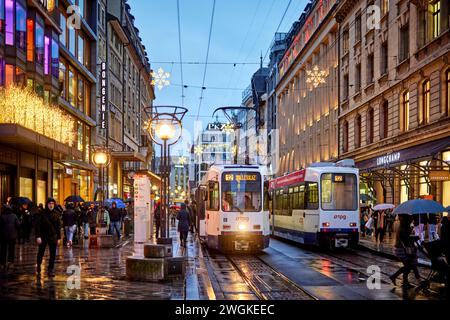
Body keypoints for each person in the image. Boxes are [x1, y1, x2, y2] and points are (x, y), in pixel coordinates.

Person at [390, 214, 421, 289]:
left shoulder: (405, 227)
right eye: (410, 220)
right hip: (402, 249)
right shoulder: (402, 229)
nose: (411, 221)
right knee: (408, 266)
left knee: (409, 266)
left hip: (404, 249)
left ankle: (403, 280)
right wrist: (415, 238)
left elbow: (408, 238)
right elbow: (406, 239)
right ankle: (397, 278)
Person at [35, 198, 61, 277]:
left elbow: (58, 227)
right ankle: (39, 265)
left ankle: (51, 269)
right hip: (43, 236)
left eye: (52, 203)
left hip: (52, 236)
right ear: (47, 204)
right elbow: (38, 226)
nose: (51, 205)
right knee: (41, 252)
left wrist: (59, 238)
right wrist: (38, 236)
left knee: (53, 254)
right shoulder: (42, 213)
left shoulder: (57, 213)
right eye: (49, 203)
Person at [0, 204, 20, 272]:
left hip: (3, 236)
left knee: (3, 250)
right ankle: (10, 262)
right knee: (11, 249)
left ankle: (3, 263)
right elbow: (18, 225)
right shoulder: (14, 215)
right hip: (12, 236)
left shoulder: (2, 216)